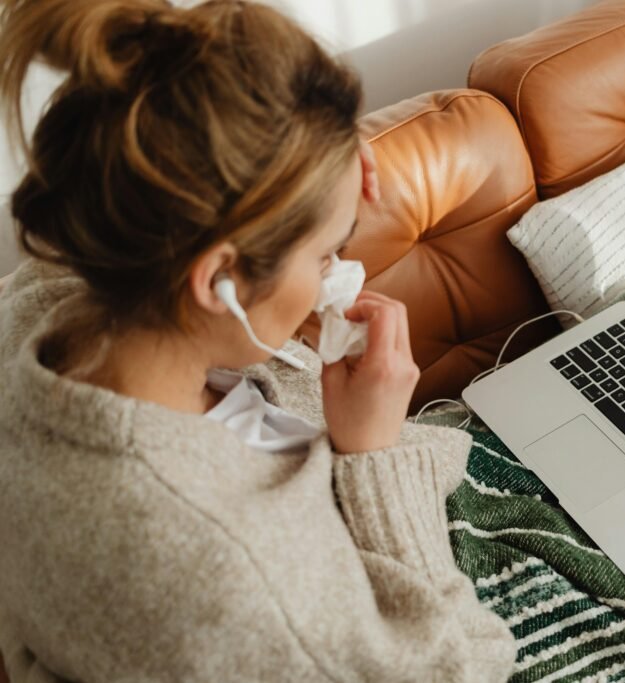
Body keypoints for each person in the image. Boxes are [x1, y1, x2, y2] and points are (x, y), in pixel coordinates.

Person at [0, 1, 515, 681]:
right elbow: (461, 669)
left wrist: (320, 154)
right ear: (217, 280)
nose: (338, 274)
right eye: (330, 252)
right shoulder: (236, 573)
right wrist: (373, 455)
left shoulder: (53, 295)